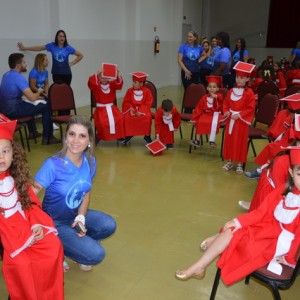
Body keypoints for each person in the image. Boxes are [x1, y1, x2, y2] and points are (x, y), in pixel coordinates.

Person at [175, 146, 300, 286]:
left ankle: (214, 243)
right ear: (291, 172)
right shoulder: (283, 190)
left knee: (237, 238)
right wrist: (237, 221)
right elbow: (261, 212)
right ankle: (200, 266)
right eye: (299, 174)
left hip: (283, 243)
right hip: (271, 229)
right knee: (234, 228)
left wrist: (290, 260)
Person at [33, 115, 117, 271]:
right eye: (72, 134)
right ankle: (59, 249)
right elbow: (31, 194)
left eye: (82, 136)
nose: (76, 140)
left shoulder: (90, 161)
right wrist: (34, 222)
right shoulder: (53, 164)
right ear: (65, 137)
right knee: (96, 255)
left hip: (74, 215)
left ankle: (76, 246)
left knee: (108, 225)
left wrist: (81, 217)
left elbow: (86, 190)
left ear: (89, 141)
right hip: (55, 223)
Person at [0, 114, 64, 299]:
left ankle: (47, 294)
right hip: (6, 230)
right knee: (21, 263)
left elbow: (31, 205)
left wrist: (36, 224)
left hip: (25, 222)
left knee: (53, 247)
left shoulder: (17, 177)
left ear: (14, 153)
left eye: (5, 151)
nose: (1, 157)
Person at [0, 53, 60, 145]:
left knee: (28, 104)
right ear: (19, 66)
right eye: (24, 62)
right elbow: (32, 97)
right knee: (47, 106)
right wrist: (39, 92)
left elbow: (16, 94)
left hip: (4, 110)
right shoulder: (19, 78)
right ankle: (48, 138)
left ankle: (33, 132)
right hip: (13, 110)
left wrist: (36, 97)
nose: (26, 64)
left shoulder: (6, 75)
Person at [221, 61, 256, 174]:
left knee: (240, 142)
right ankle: (230, 161)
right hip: (231, 120)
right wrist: (226, 112)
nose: (239, 80)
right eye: (237, 77)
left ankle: (240, 163)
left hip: (241, 122)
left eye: (241, 78)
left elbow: (250, 108)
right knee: (230, 141)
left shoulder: (249, 93)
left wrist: (239, 115)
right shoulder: (231, 91)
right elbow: (226, 103)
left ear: (247, 79)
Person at [17, 29, 83, 86]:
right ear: (57, 37)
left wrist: (72, 63)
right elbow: (39, 48)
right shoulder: (52, 46)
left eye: (63, 36)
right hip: (56, 73)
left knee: (66, 93)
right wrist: (25, 48)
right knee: (58, 92)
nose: (62, 38)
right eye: (60, 36)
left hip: (67, 74)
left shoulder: (68, 48)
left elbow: (80, 55)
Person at [88, 65, 124, 143]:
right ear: (98, 78)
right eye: (101, 77)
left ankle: (119, 135)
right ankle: (100, 136)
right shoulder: (96, 86)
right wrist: (97, 72)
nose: (104, 79)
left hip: (112, 108)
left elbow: (119, 84)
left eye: (106, 77)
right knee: (102, 122)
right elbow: (91, 82)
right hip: (101, 110)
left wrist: (117, 74)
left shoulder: (112, 84)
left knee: (120, 118)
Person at [190, 76, 223, 148]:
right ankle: (198, 140)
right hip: (206, 114)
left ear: (217, 88)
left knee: (213, 123)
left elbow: (222, 100)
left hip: (215, 115)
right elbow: (199, 108)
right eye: (210, 87)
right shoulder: (204, 97)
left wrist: (216, 97)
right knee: (199, 121)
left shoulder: (219, 96)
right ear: (207, 88)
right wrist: (194, 118)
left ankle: (212, 141)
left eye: (214, 87)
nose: (212, 88)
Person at [122, 72, 153, 145]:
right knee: (126, 117)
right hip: (132, 110)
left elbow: (148, 103)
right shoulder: (129, 91)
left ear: (141, 84)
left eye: (135, 82)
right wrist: (130, 109)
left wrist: (141, 111)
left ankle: (147, 135)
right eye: (133, 82)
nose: (133, 84)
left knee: (147, 117)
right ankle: (129, 134)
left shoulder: (147, 91)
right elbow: (126, 102)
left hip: (143, 110)